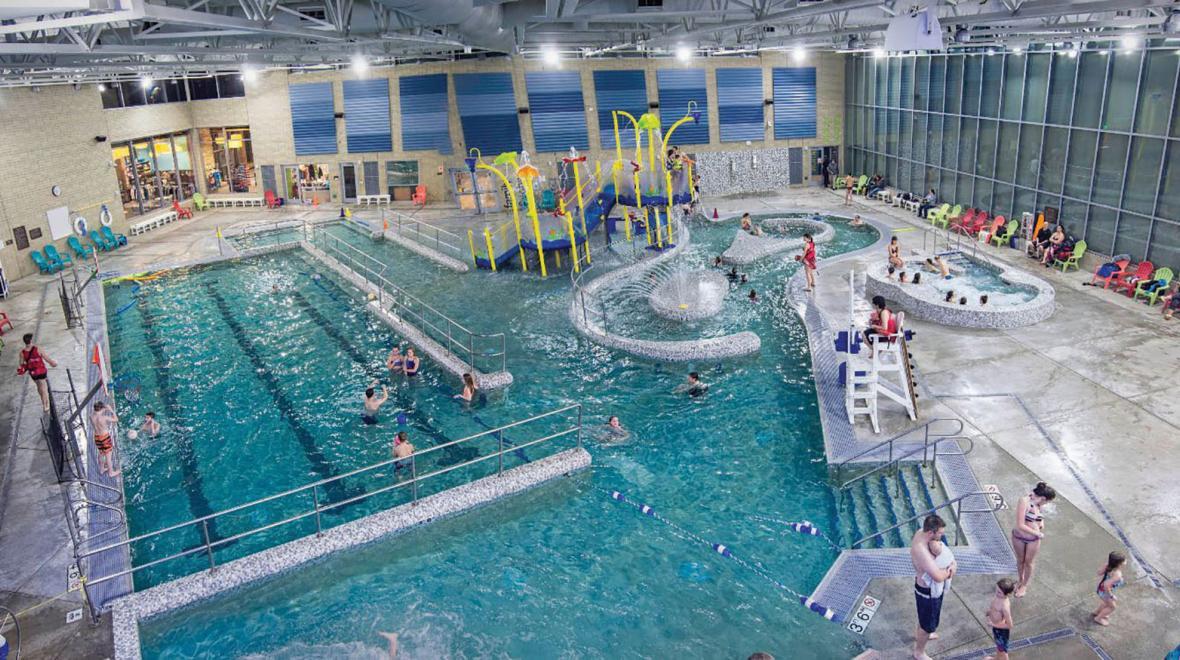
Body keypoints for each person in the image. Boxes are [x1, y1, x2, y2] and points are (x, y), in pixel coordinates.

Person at [911, 515, 956, 660]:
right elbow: (937, 576)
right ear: (931, 532)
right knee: (927, 625)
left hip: (924, 588)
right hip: (927, 592)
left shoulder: (921, 532)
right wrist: (950, 570)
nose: (941, 537)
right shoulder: (921, 550)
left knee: (924, 618)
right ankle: (919, 652)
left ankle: (922, 634)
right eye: (940, 533)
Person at [1011, 482, 1057, 598]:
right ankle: (1020, 579)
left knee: (1029, 562)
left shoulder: (1038, 503)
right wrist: (1038, 533)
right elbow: (1020, 524)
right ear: (1043, 498)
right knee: (1020, 560)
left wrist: (1041, 522)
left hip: (1033, 540)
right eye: (1047, 502)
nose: (1046, 504)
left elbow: (1039, 515)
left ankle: (1024, 585)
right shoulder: (1024, 501)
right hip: (1020, 536)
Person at [17, 333, 57, 412]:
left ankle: (43, 400)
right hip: (41, 371)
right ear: (31, 340)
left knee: (39, 386)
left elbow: (21, 364)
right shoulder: (38, 348)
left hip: (33, 373)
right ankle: (46, 405)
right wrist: (53, 363)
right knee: (44, 388)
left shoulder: (22, 352)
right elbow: (47, 358)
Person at [984, 578, 1016, 660]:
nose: (996, 593)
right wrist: (989, 612)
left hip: (1001, 632)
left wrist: (993, 624)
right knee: (999, 647)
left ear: (1007, 594)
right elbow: (994, 607)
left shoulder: (1005, 607)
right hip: (996, 629)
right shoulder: (999, 597)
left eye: (999, 592)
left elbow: (1010, 625)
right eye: (996, 590)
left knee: (1003, 650)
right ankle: (997, 658)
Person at [1091, 551, 1126, 626]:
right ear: (1120, 563)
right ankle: (1098, 618)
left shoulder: (1108, 565)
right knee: (1112, 607)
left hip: (1100, 590)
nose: (1126, 561)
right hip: (1106, 593)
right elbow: (1106, 585)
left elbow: (1099, 572)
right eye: (1124, 560)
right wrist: (1111, 596)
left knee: (1105, 603)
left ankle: (1097, 612)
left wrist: (1105, 567)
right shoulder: (1117, 574)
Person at [90, 401, 120, 477]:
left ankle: (102, 469)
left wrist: (104, 408)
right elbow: (116, 419)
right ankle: (111, 473)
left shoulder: (91, 416)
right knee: (108, 456)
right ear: (102, 409)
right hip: (105, 438)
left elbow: (98, 412)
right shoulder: (104, 417)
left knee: (101, 453)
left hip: (97, 437)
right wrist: (111, 410)